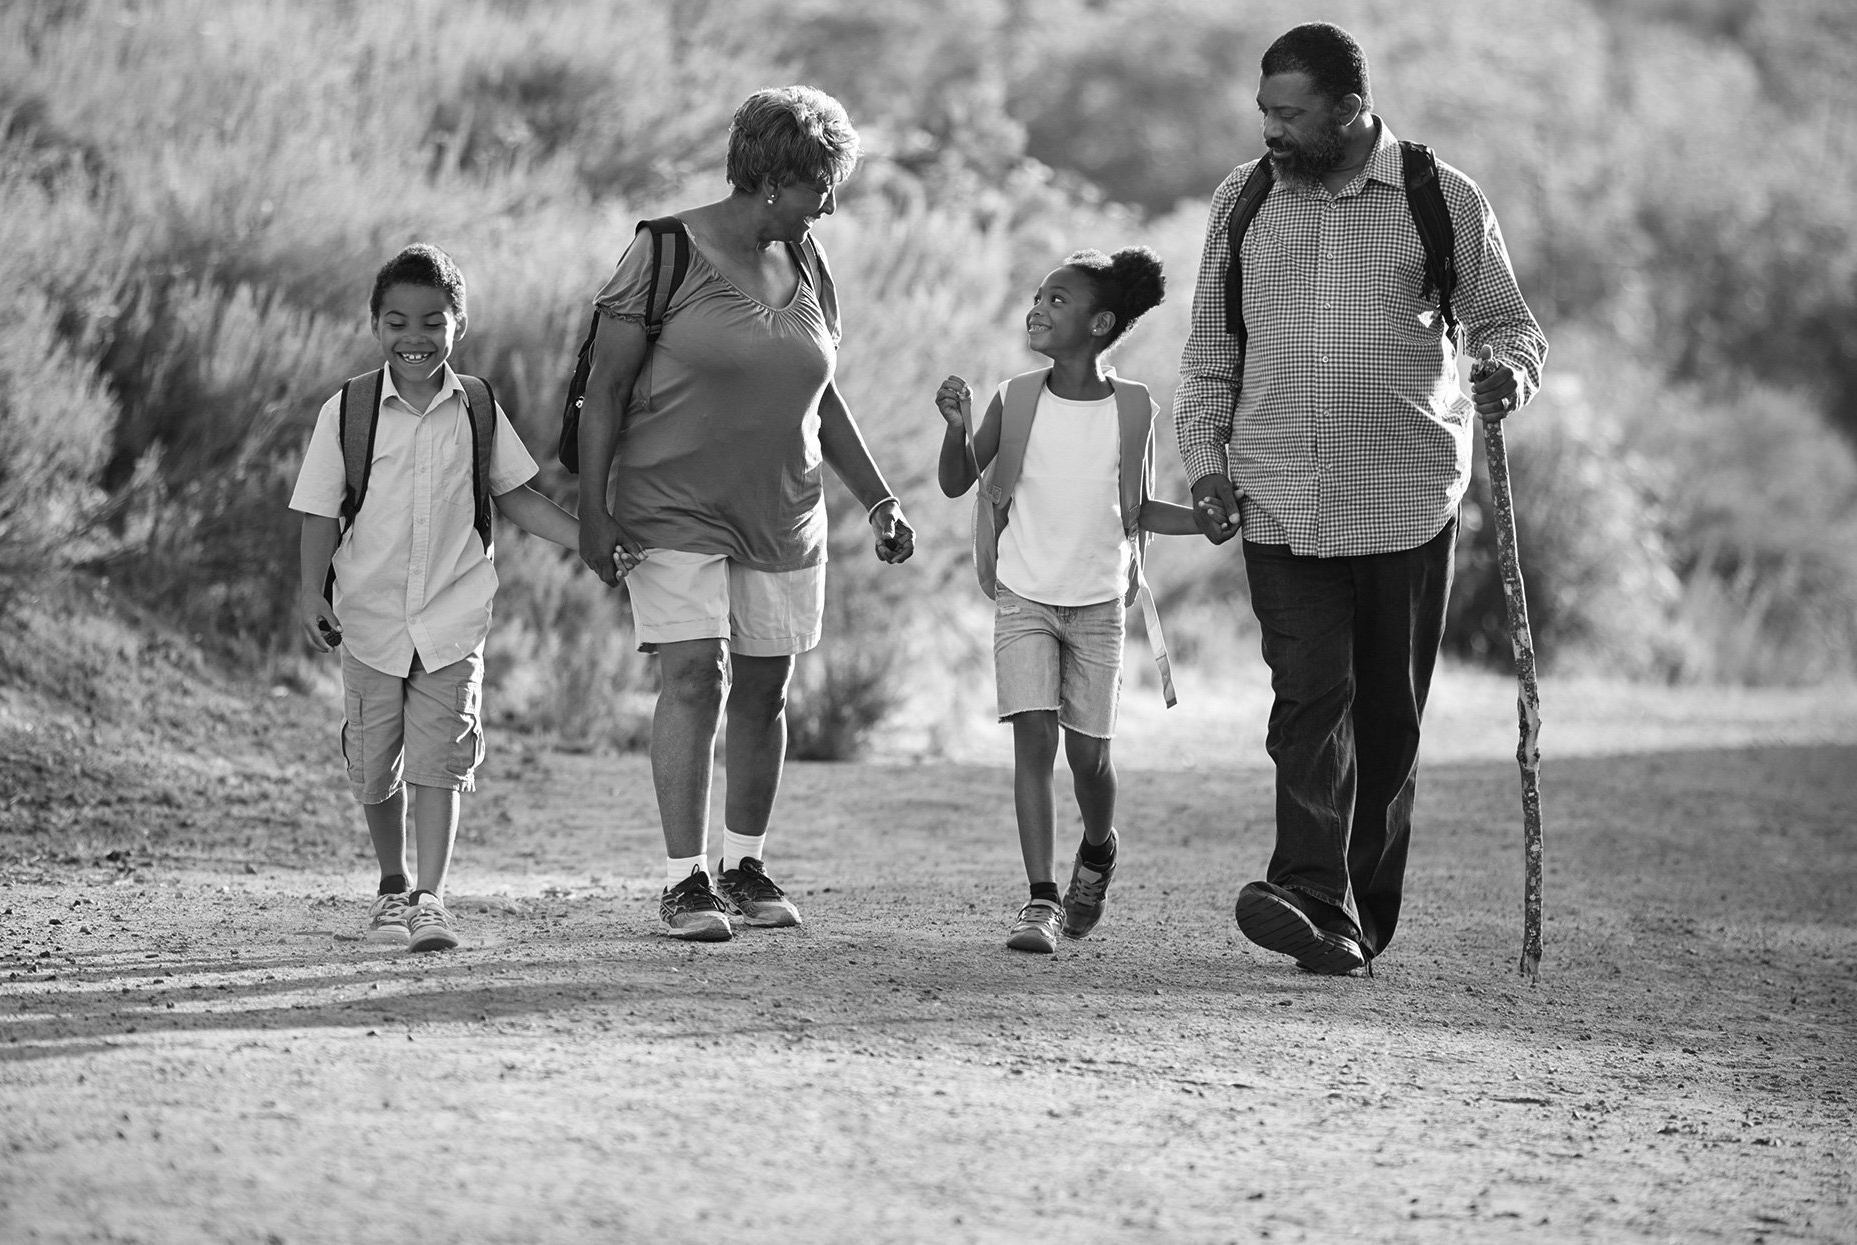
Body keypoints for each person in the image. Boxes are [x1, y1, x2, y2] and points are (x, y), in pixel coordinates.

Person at [1175, 23, 1549, 974]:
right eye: (1265, 111)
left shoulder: (1440, 196)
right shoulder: (1244, 198)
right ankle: (1308, 890)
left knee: (1386, 721)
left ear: (1348, 111)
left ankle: (1357, 922)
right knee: (1308, 701)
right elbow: (1211, 349)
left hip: (1404, 502)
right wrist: (1206, 460)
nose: (1271, 130)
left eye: (1290, 114)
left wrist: (1506, 373)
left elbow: (1509, 326)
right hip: (1278, 495)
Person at [575, 86, 915, 942]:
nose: (828, 208)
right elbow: (604, 390)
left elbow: (821, 398)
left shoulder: (809, 263)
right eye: (820, 189)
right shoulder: (663, 252)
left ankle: (744, 863)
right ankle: (684, 879)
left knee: (766, 688)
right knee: (697, 675)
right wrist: (592, 511)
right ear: (771, 181)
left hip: (785, 510)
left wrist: (878, 498)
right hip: (671, 505)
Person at [290, 244, 617, 952]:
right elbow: (319, 510)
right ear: (375, 325)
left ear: (457, 325)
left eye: (433, 322)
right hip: (369, 616)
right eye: (398, 322)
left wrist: (590, 540)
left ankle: (430, 899)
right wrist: (312, 591)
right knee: (374, 764)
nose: (416, 338)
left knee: (440, 760)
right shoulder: (348, 410)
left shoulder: (478, 407)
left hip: (453, 616)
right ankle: (392, 883)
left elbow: (518, 499)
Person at [935, 247, 1203, 954]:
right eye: (1038, 296)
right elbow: (958, 482)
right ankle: (1041, 898)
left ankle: (1098, 848)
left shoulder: (1134, 408)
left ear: (1100, 323)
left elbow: (1139, 510)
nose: (1038, 308)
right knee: (1034, 739)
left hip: (1097, 606)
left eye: (1058, 300)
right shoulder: (1015, 397)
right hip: (1023, 596)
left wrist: (1203, 520)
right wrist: (957, 429)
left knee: (1089, 759)